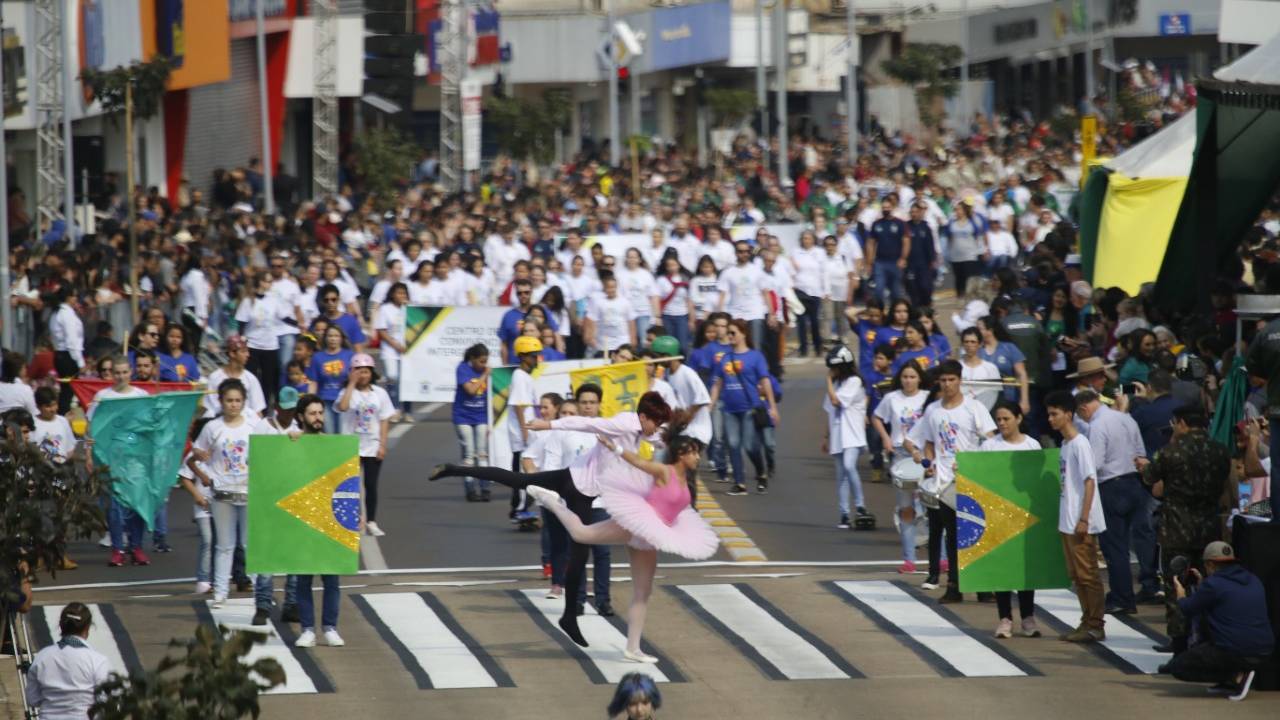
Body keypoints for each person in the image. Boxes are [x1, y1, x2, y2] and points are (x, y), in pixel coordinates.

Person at [429, 391, 675, 649]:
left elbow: (662, 437)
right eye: (655, 423)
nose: (656, 429)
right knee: (579, 554)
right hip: (580, 491)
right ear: (643, 417)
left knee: (521, 483)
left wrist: (674, 437)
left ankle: (452, 469)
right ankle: (569, 617)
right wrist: (547, 424)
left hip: (573, 478)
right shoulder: (623, 424)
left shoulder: (642, 429)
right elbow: (584, 423)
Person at [529, 415, 718, 663]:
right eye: (694, 453)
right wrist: (615, 447)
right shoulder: (664, 470)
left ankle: (633, 648)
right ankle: (550, 501)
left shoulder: (688, 480)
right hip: (637, 523)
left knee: (643, 591)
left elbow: (676, 505)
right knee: (581, 534)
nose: (698, 457)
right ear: (682, 454)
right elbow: (638, 462)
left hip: (652, 535)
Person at [1138, 404, 1231, 654]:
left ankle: (1179, 641)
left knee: (1176, 583)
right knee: (1209, 584)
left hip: (1176, 528)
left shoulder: (1171, 451)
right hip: (1209, 527)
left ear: (1180, 423)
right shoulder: (1220, 451)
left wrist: (1145, 466)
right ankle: (1208, 637)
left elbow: (1149, 477)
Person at [905, 360, 996, 602]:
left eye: (952, 380)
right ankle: (954, 586)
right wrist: (924, 459)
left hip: (972, 478)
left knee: (976, 535)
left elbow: (991, 439)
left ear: (960, 380)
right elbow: (923, 442)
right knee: (953, 536)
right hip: (943, 482)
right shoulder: (933, 410)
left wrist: (974, 460)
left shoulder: (974, 408)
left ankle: (983, 586)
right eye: (943, 380)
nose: (947, 385)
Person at [1075, 390, 1159, 614]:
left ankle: (1122, 597)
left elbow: (1097, 462)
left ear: (1084, 409)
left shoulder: (1097, 425)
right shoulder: (1126, 418)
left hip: (1111, 486)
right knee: (1140, 536)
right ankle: (1147, 582)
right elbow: (1141, 453)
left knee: (1115, 547)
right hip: (1135, 482)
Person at [1163, 541, 1274, 699]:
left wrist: (1180, 594)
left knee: (1179, 667)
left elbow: (1187, 608)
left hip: (1236, 650)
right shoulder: (1253, 579)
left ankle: (1236, 676)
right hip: (1265, 649)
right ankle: (1231, 677)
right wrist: (1203, 585)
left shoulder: (1214, 584)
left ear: (1210, 564)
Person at [1045, 390, 1107, 643]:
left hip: (1080, 520)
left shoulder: (1080, 443)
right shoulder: (1065, 444)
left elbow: (1090, 481)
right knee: (1077, 575)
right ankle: (1086, 620)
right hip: (1067, 519)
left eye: (1054, 414)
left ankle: (1095, 624)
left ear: (1068, 415)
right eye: (1049, 414)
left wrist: (1084, 518)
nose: (1050, 419)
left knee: (1088, 574)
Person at [980, 401, 1043, 639]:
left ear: (1018, 418)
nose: (1002, 423)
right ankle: (1004, 618)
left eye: (1006, 418)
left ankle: (1028, 617)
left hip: (1027, 515)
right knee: (1003, 569)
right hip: (998, 515)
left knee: (1027, 568)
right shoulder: (988, 446)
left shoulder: (1032, 444)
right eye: (998, 419)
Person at [189, 379, 255, 607]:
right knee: (224, 545)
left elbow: (274, 441)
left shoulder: (254, 423)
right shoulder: (212, 427)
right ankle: (220, 591)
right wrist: (200, 455)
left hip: (249, 490)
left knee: (248, 543)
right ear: (221, 401)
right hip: (222, 493)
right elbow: (196, 450)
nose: (234, 405)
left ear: (244, 402)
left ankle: (260, 589)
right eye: (229, 400)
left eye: (238, 400)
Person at [292, 393, 347, 648]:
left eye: (320, 413)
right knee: (303, 577)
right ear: (301, 416)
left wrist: (359, 514)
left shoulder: (333, 445)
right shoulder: (291, 442)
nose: (318, 418)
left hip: (328, 516)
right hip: (301, 518)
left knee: (331, 576)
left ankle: (329, 627)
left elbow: (348, 480)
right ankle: (307, 629)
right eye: (312, 414)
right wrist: (291, 440)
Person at [90, 357, 151, 567]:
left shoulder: (141, 395)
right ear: (111, 374)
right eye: (117, 372)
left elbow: (148, 426)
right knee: (115, 507)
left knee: (137, 505)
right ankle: (117, 548)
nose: (121, 376)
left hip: (136, 460)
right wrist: (90, 454)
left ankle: (136, 546)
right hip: (110, 459)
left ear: (131, 372)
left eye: (125, 372)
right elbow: (93, 427)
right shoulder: (102, 396)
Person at [248, 387, 302, 625]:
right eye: (286, 409)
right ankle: (262, 605)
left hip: (293, 498)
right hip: (267, 497)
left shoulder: (298, 430)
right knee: (267, 554)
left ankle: (291, 604)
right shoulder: (263, 427)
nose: (289, 414)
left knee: (292, 553)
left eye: (293, 410)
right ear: (277, 408)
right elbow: (252, 458)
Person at [707, 319, 779, 496]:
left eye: (733, 333)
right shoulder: (724, 359)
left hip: (750, 407)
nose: (730, 336)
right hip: (729, 409)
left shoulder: (755, 356)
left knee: (749, 445)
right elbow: (717, 384)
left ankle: (761, 471)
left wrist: (773, 407)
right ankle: (740, 483)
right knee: (732, 444)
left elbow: (765, 381)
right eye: (728, 333)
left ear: (743, 334)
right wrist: (710, 404)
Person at [872, 360, 928, 569]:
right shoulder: (891, 398)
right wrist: (886, 438)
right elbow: (876, 417)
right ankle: (909, 558)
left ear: (919, 378)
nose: (908, 380)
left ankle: (942, 558)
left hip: (924, 454)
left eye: (912, 376)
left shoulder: (927, 398)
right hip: (900, 454)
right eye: (905, 376)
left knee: (933, 507)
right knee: (906, 509)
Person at [337, 353, 395, 537]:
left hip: (372, 445)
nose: (363, 376)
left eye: (366, 372)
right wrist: (351, 384)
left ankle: (371, 521)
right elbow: (343, 407)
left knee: (371, 484)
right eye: (359, 372)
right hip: (351, 445)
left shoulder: (380, 393)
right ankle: (352, 519)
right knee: (350, 486)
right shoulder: (346, 392)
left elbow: (385, 419)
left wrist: (383, 444)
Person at [24, 603, 111, 720]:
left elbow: (32, 699)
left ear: (61, 626)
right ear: (87, 627)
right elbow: (106, 700)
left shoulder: (42, 657)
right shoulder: (97, 660)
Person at [822, 345, 868, 529]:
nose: (832, 371)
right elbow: (829, 410)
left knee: (849, 466)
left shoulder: (854, 381)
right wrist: (825, 436)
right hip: (838, 434)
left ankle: (860, 506)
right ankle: (844, 514)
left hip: (853, 434)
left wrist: (827, 381)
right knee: (841, 475)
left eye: (835, 368)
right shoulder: (837, 384)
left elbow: (836, 401)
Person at [453, 343, 492, 502]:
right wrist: (484, 375)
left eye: (486, 361)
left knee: (482, 453)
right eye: (481, 361)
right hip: (463, 416)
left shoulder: (487, 371)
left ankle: (485, 487)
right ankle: (470, 489)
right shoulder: (462, 369)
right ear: (473, 359)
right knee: (469, 453)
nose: (484, 365)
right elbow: (471, 390)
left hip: (481, 416)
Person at [203, 335, 267, 419]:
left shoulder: (251, 379)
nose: (248, 355)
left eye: (247, 351)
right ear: (232, 353)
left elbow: (257, 410)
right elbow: (210, 408)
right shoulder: (214, 377)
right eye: (243, 351)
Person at [308, 325, 355, 433]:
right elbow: (313, 381)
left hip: (344, 400)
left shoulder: (349, 355)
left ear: (341, 338)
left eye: (336, 336)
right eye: (330, 336)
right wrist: (310, 401)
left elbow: (354, 379)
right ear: (325, 338)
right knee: (330, 434)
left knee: (344, 433)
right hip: (325, 401)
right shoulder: (317, 357)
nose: (333, 339)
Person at [866, 198, 911, 305]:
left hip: (895, 262)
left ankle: (894, 314)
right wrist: (869, 262)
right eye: (884, 207)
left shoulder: (900, 223)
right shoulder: (876, 224)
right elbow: (871, 243)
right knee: (879, 290)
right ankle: (880, 313)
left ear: (892, 208)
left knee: (896, 292)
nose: (885, 209)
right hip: (880, 262)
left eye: (888, 207)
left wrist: (903, 258)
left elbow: (906, 242)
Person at [50, 286, 84, 413]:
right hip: (68, 356)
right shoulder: (66, 313)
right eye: (74, 296)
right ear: (68, 297)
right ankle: (65, 415)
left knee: (67, 390)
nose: (76, 299)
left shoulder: (57, 313)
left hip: (61, 355)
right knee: (69, 391)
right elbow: (71, 340)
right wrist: (80, 362)